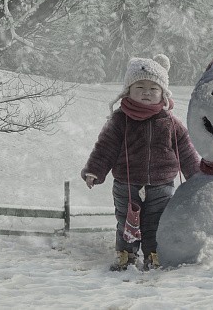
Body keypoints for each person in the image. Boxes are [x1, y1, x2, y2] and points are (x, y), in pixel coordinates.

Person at [81, 54, 200, 271]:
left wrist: (196, 176)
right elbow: (105, 148)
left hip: (161, 184)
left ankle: (153, 254)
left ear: (163, 93)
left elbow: (186, 150)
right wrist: (94, 171)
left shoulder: (170, 123)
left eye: (153, 88)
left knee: (155, 221)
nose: (146, 92)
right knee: (127, 221)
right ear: (128, 91)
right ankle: (126, 254)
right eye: (140, 87)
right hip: (126, 182)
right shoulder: (120, 120)